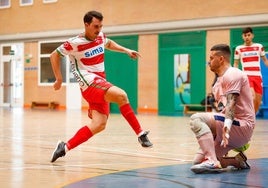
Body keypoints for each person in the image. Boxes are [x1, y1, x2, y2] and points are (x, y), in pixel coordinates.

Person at [50, 10, 153, 163]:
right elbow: (54, 55)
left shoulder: (100, 36)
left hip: (100, 82)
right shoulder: (75, 43)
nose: (98, 30)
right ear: (86, 25)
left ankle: (64, 147)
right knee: (121, 95)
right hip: (88, 83)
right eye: (95, 26)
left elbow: (108, 42)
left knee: (99, 125)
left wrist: (126, 50)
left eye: (100, 26)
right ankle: (141, 134)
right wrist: (59, 79)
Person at [190, 44, 255, 173]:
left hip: (241, 125)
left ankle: (212, 162)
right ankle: (237, 161)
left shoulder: (233, 74)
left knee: (196, 119)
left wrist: (226, 128)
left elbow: (231, 103)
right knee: (197, 162)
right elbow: (223, 109)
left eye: (211, 58)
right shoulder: (217, 83)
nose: (209, 61)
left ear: (221, 59)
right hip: (229, 126)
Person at [234, 27, 268, 113]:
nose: (247, 37)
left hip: (258, 77)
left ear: (252, 35)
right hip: (247, 76)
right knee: (252, 97)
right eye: (245, 35)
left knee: (257, 102)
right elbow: (236, 64)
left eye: (249, 35)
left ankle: (251, 121)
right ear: (242, 36)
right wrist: (235, 75)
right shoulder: (238, 49)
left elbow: (265, 60)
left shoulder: (259, 47)